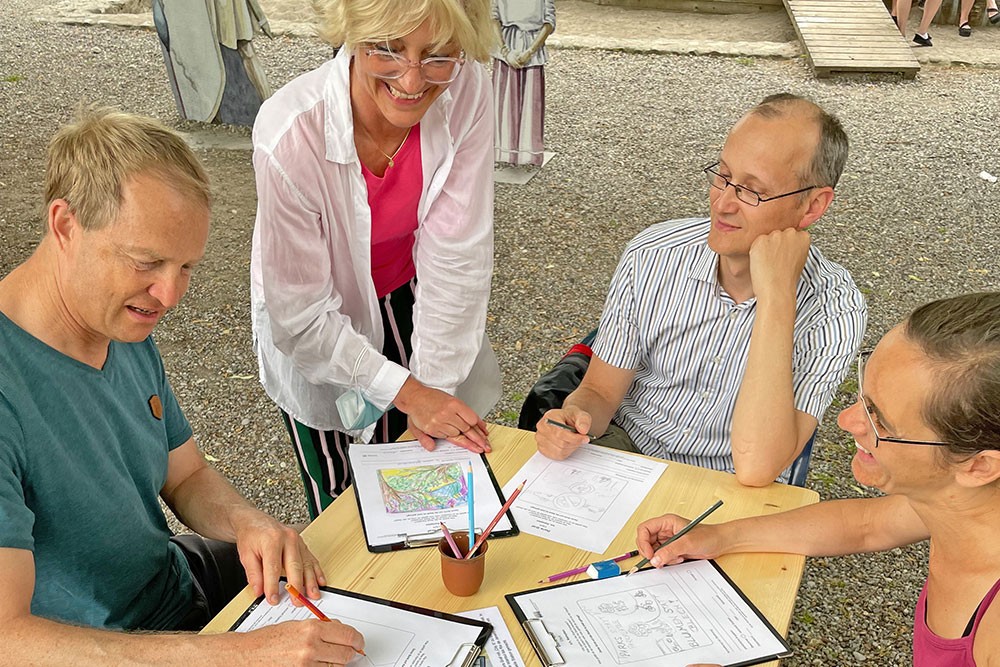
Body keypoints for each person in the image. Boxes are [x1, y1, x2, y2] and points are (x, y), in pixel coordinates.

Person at [0, 107, 364, 665]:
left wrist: (249, 523)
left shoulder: (117, 323)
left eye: (186, 267)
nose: (169, 295)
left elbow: (185, 473)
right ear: (65, 224)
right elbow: (8, 636)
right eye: (147, 262)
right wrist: (237, 654)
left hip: (176, 598)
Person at [636, 292, 1000, 667]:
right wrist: (721, 535)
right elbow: (866, 524)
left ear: (979, 467)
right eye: (861, 396)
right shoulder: (958, 505)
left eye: (879, 421)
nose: (846, 420)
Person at [534, 93, 867, 487]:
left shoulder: (835, 309)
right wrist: (573, 415)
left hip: (730, 485)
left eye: (751, 191)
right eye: (723, 176)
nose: (722, 204)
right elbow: (600, 392)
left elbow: (759, 466)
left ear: (812, 207)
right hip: (626, 455)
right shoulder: (653, 255)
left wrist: (778, 297)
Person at [250, 0, 502, 518]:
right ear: (353, 33)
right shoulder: (289, 133)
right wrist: (407, 391)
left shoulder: (467, 88)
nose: (412, 80)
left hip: (409, 287)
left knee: (427, 476)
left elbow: (457, 253)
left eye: (437, 56)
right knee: (341, 489)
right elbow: (300, 318)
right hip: (319, 309)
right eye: (387, 48)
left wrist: (430, 392)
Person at [492, 0, 555, 166]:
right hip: (506, 47)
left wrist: (530, 51)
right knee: (505, 102)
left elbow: (549, 21)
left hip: (532, 46)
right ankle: (503, 152)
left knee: (530, 103)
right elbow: (493, 17)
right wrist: (505, 51)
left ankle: (528, 154)